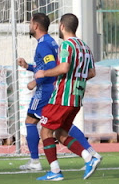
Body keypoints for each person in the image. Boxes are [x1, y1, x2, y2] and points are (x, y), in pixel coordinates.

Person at [17, 13, 101, 171]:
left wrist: (37, 80)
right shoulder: (84, 46)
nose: (29, 26)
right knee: (61, 130)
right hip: (76, 96)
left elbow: (57, 68)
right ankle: (90, 154)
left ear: (62, 26)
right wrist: (28, 67)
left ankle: (41, 164)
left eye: (30, 23)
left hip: (56, 92)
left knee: (39, 126)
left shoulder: (60, 45)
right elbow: (91, 73)